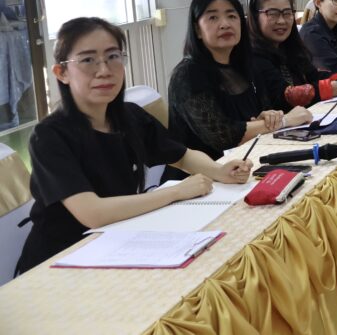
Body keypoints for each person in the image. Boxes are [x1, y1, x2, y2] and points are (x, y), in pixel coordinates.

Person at [16, 17, 252, 273]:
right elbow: (93, 213)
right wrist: (175, 192)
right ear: (61, 73)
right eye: (87, 60)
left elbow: (182, 156)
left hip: (121, 242)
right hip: (62, 260)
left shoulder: (129, 117)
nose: (104, 70)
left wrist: (219, 171)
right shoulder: (49, 136)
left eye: (113, 56)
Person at [167, 0, 311, 179]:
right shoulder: (186, 75)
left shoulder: (246, 65)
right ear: (197, 30)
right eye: (213, 18)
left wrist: (268, 116)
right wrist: (284, 121)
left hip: (248, 164)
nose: (225, 24)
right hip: (201, 180)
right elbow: (223, 136)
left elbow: (260, 114)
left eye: (232, 16)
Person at [250, 0, 337, 110]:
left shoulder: (290, 48)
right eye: (273, 14)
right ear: (255, 17)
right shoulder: (254, 56)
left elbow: (313, 75)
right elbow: (286, 96)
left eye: (287, 13)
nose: (281, 21)